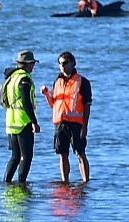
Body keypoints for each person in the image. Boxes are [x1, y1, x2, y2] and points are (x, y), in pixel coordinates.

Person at [41, 51, 90, 181]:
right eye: (60, 63)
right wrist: (46, 94)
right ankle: (65, 181)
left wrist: (85, 126)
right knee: (62, 154)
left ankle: (85, 181)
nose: (62, 66)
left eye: (65, 63)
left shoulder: (82, 81)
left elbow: (87, 105)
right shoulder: (57, 82)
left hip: (76, 123)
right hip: (60, 123)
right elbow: (54, 104)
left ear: (72, 63)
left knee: (80, 153)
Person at [1, 50, 40, 183]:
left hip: (11, 122)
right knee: (26, 156)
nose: (33, 66)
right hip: (23, 122)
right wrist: (34, 122)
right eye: (32, 63)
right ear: (27, 64)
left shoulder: (12, 77)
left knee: (15, 156)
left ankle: (7, 183)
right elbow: (26, 102)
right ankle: (22, 184)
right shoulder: (24, 79)